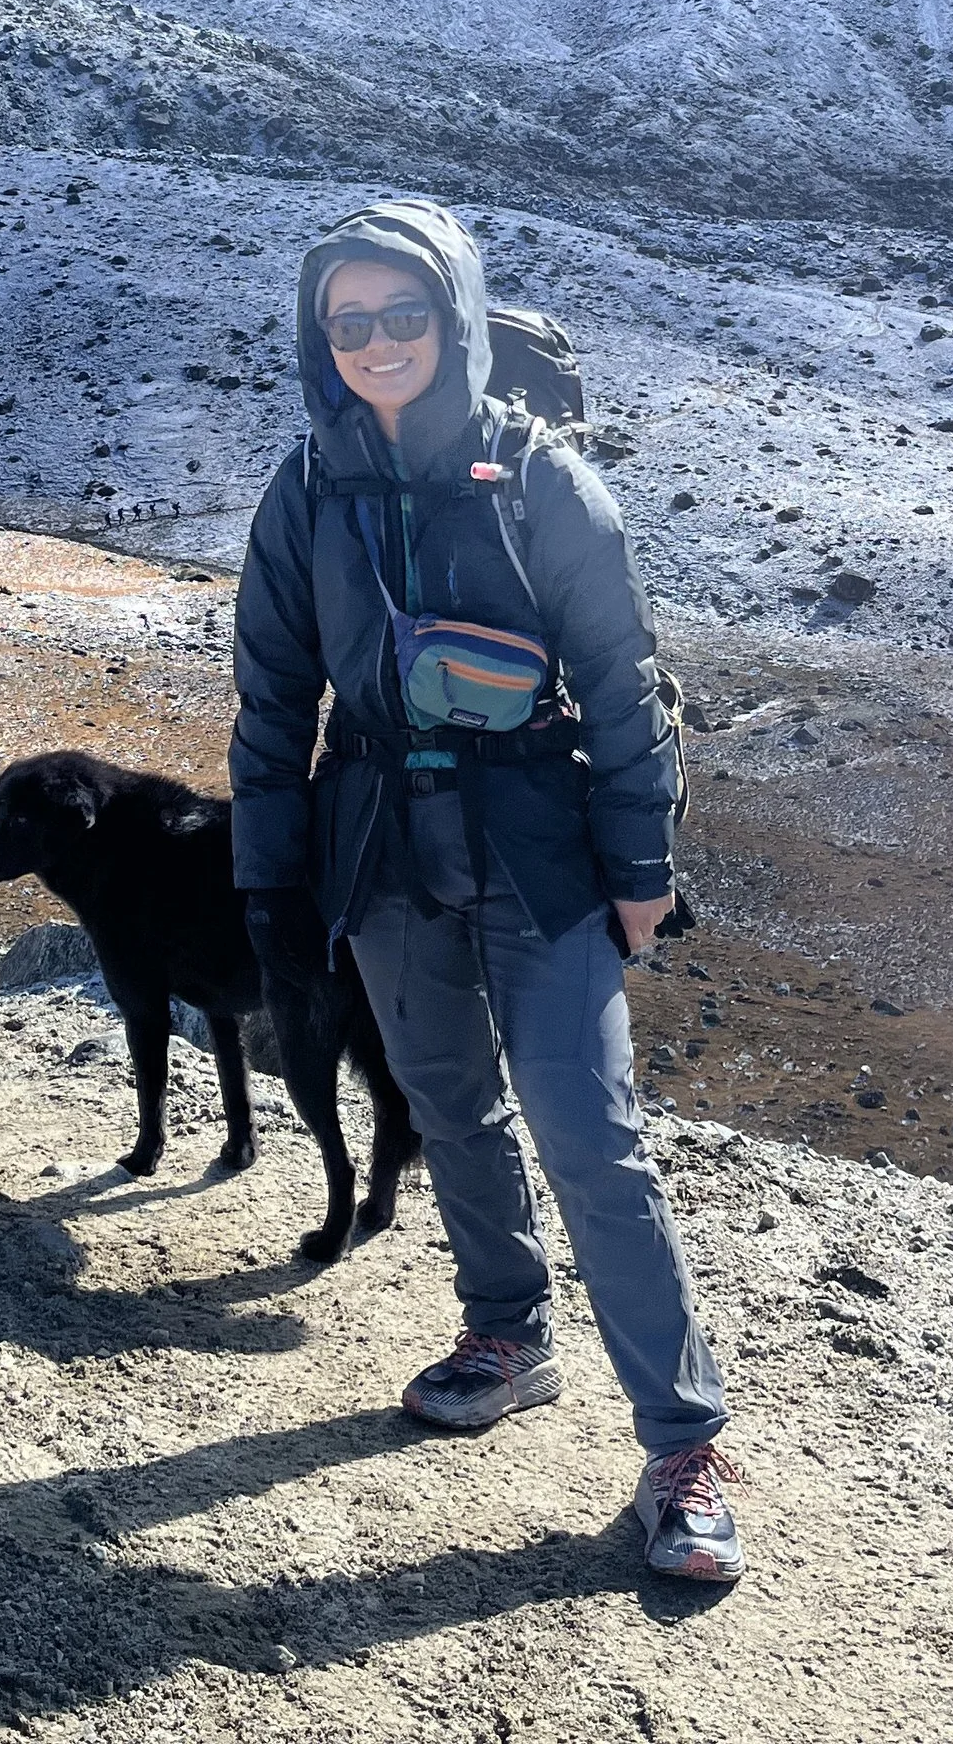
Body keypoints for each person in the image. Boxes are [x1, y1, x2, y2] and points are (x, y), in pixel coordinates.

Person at [229, 197, 742, 1584]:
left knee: (591, 1135)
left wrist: (642, 870)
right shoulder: (305, 491)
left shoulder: (544, 480)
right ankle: (507, 1332)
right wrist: (269, 884)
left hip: (540, 848)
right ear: (319, 337)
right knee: (449, 1104)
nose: (378, 342)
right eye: (351, 322)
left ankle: (684, 1445)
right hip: (382, 841)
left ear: (452, 320)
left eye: (405, 315)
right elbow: (273, 702)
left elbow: (626, 685)